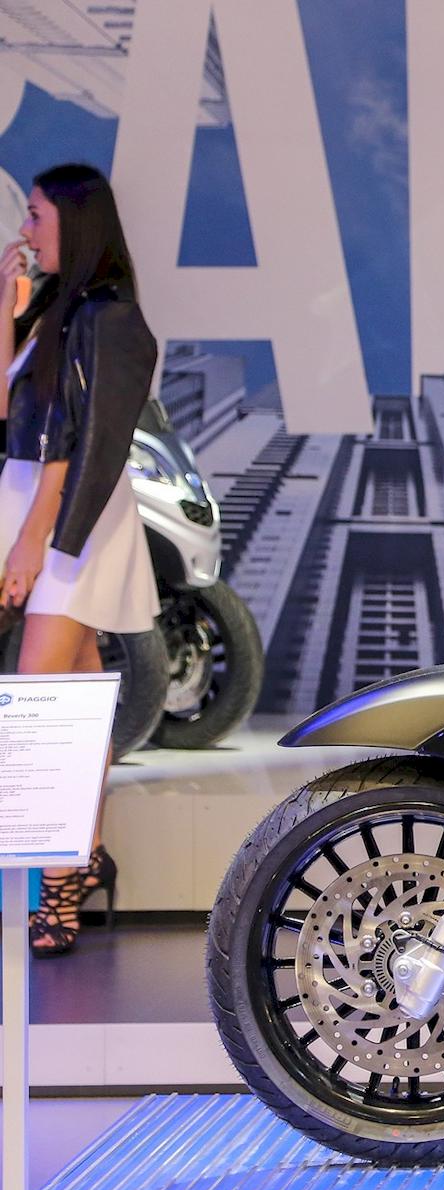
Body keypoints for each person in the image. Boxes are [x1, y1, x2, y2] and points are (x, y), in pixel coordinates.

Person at [1, 163, 160, 956]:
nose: (25, 231)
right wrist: (7, 311)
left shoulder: (111, 316)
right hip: (36, 507)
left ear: (75, 218)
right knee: (75, 695)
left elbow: (85, 442)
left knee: (43, 706)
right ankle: (82, 858)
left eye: (35, 215)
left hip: (73, 519)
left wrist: (39, 541)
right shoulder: (57, 311)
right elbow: (10, 416)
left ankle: (57, 881)